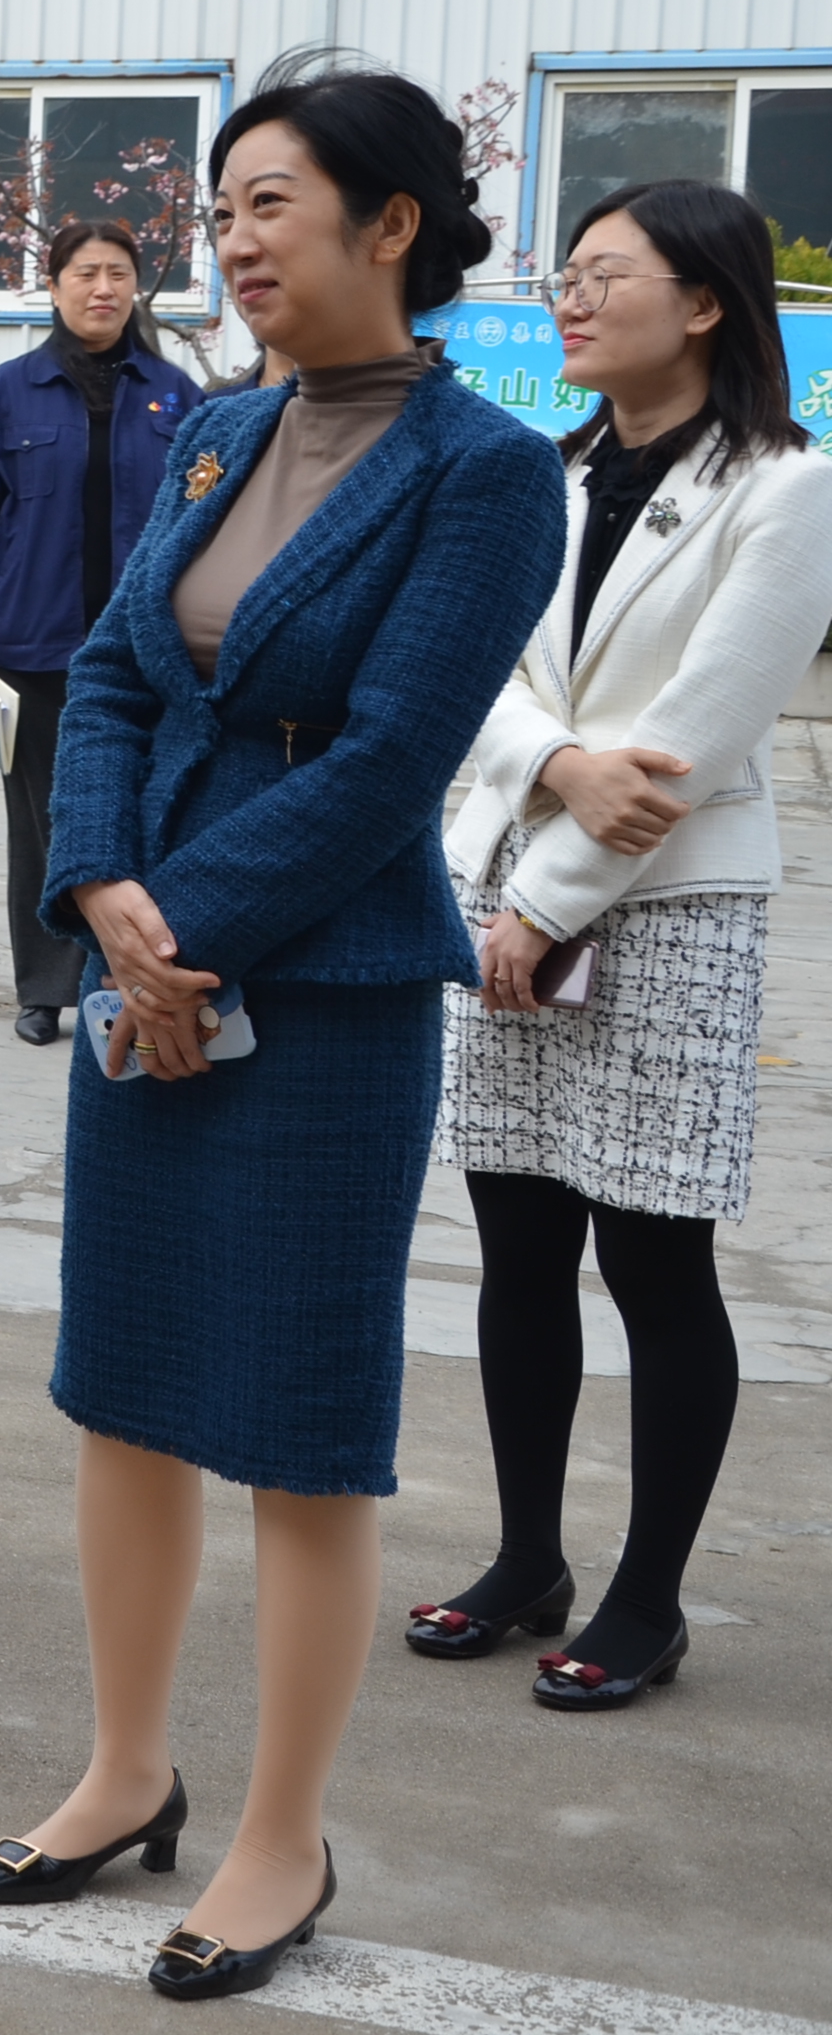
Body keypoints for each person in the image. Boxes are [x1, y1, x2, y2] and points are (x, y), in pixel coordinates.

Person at [0, 53, 561, 2001]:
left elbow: (391, 760)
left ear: (392, 223)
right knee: (125, 1389)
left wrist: (183, 933)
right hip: (148, 970)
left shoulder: (484, 473)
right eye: (218, 211)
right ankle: (126, 1768)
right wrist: (100, 892)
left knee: (302, 1431)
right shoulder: (217, 434)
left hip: (324, 998)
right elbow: (116, 674)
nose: (229, 241)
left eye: (268, 205)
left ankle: (281, 1838)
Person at [415, 178, 832, 1708]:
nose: (570, 302)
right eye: (565, 276)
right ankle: (528, 1557)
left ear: (706, 302)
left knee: (656, 1257)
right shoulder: (542, 473)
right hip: (507, 879)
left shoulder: (786, 486)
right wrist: (553, 765)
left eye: (605, 275)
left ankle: (647, 1601)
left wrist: (549, 898)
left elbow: (701, 734)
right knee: (519, 1243)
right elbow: (464, 663)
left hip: (668, 909)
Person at [0, 221, 205, 1043]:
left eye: (118, 273)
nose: (103, 289)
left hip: (143, 648)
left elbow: (204, 522)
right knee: (43, 820)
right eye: (85, 273)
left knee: (143, 812)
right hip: (34, 642)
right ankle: (44, 987)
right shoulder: (7, 393)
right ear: (53, 287)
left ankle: (126, 976)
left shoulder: (175, 395)